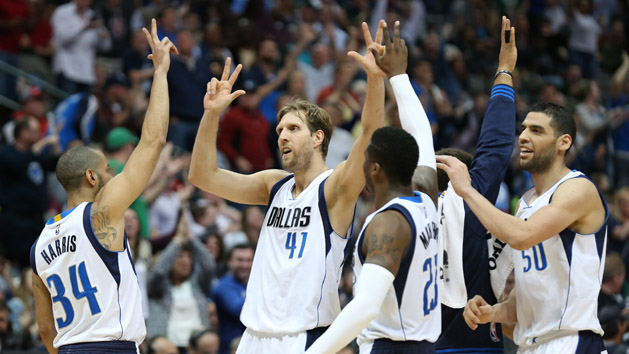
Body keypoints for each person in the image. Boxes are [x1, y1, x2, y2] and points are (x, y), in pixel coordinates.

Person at [189, 21, 387, 353]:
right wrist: (211, 116)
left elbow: (369, 134)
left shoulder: (335, 186)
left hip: (304, 336)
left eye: (293, 128)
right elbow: (203, 176)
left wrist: (376, 78)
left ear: (318, 137)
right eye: (280, 128)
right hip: (253, 336)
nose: (282, 135)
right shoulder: (273, 184)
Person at [30, 19, 178, 354]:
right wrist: (160, 73)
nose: (114, 176)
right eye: (108, 170)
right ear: (91, 178)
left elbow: (44, 329)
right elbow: (153, 141)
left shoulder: (38, 245)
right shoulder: (102, 212)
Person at [306, 21, 440, 354]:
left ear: (375, 169)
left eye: (363, 158)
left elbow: (365, 307)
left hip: (391, 347)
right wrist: (397, 76)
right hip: (421, 344)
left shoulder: (388, 224)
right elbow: (422, 136)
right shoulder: (425, 196)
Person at [439, 101, 609, 353]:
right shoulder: (526, 202)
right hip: (530, 345)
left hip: (570, 340)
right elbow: (523, 297)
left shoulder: (578, 189)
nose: (524, 137)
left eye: (536, 131)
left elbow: (522, 236)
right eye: (523, 129)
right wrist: (492, 312)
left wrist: (466, 190)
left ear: (564, 142)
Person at [435, 16, 517, 353]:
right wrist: (505, 70)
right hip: (473, 343)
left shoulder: (407, 207)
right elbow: (496, 145)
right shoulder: (469, 200)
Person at [211, 244, 254, 354]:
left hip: (253, 346)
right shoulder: (222, 286)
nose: (245, 265)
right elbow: (238, 309)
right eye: (240, 260)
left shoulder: (256, 284)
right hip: (230, 348)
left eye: (249, 260)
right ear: (230, 261)